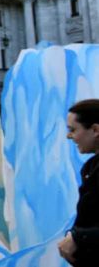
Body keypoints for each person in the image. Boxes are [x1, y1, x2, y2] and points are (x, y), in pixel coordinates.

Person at [59, 99, 99, 265]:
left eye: (73, 130)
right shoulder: (91, 168)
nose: (69, 136)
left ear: (95, 129)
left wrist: (78, 237)